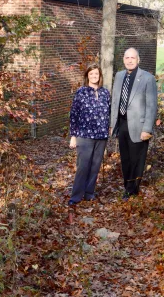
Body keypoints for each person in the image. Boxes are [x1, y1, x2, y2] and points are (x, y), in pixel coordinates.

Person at [110, 48, 158, 199]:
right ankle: (128, 186)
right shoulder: (118, 76)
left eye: (133, 58)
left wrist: (147, 129)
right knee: (125, 159)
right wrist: (113, 123)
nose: (130, 60)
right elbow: (115, 100)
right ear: (123, 59)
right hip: (122, 124)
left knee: (137, 159)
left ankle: (132, 190)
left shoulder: (147, 78)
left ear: (138, 60)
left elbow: (151, 106)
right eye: (127, 57)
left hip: (139, 126)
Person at [68, 63, 110, 206]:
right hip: (84, 135)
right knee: (83, 166)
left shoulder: (105, 93)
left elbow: (109, 112)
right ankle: (76, 196)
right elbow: (74, 114)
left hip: (101, 135)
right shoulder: (81, 92)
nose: (94, 76)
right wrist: (73, 136)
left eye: (96, 74)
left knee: (95, 166)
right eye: (91, 74)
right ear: (87, 76)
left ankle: (89, 193)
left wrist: (109, 128)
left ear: (100, 76)